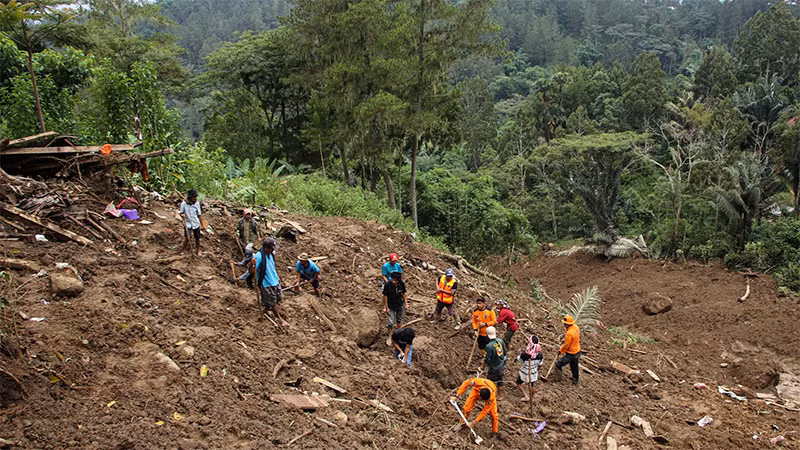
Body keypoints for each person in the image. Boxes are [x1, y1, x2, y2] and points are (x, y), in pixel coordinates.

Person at [251, 238, 289, 327]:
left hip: (274, 281)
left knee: (279, 298)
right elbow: (251, 271)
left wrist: (277, 277)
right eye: (272, 248)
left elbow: (272, 267)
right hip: (266, 283)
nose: (273, 250)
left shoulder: (271, 254)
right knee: (273, 303)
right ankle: (280, 319)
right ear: (266, 248)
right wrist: (253, 264)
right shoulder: (258, 256)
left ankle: (266, 309)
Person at [382, 271, 408, 346]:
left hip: (399, 304)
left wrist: (406, 303)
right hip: (391, 305)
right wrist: (386, 307)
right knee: (390, 322)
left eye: (395, 280)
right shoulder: (388, 285)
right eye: (392, 280)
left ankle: (398, 335)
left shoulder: (401, 284)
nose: (394, 281)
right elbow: (385, 296)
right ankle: (390, 336)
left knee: (399, 320)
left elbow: (403, 293)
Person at [175, 189, 203, 256]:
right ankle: (183, 250)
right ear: (190, 197)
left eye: (196, 197)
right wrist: (182, 215)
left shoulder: (197, 204)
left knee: (197, 238)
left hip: (196, 223)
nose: (195, 198)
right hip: (188, 223)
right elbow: (181, 212)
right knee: (187, 237)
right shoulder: (183, 204)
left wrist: (202, 224)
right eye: (194, 197)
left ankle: (198, 250)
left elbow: (199, 214)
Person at [516, 335, 543, 402]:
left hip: (525, 372)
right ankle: (531, 397)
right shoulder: (539, 354)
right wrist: (537, 370)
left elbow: (520, 360)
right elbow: (540, 364)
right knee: (532, 384)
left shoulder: (525, 354)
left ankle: (526, 396)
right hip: (534, 372)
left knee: (519, 383)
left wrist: (517, 358)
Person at [555, 315, 581, 385]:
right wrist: (566, 340)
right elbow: (574, 338)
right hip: (577, 351)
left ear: (568, 324)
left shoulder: (569, 333)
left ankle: (558, 378)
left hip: (571, 353)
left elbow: (566, 345)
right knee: (574, 366)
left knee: (558, 364)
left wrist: (561, 351)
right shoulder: (576, 328)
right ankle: (575, 379)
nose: (564, 324)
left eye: (565, 323)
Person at [482, 326, 507, 394]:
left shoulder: (489, 346)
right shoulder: (500, 341)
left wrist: (482, 367)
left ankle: (490, 395)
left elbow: (487, 360)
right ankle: (500, 395)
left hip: (494, 367)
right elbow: (505, 351)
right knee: (500, 381)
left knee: (489, 382)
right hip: (501, 365)